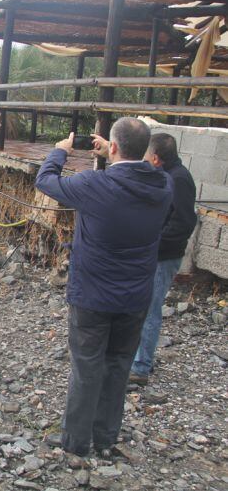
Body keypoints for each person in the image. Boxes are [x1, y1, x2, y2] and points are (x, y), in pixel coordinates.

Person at [34, 117, 173, 457]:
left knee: (87, 367)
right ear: (145, 150)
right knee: (118, 367)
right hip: (135, 297)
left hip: (93, 297)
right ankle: (106, 438)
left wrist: (59, 152)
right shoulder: (165, 186)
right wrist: (112, 153)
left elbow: (46, 180)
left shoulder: (94, 185)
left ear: (113, 147)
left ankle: (76, 442)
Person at [91, 133, 197, 386]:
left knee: (149, 310)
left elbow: (183, 224)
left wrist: (148, 240)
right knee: (139, 306)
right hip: (153, 254)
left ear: (157, 159)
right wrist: (111, 150)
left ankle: (141, 367)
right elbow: (134, 168)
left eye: (146, 155)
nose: (143, 160)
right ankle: (133, 358)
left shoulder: (177, 180)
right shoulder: (166, 174)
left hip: (163, 256)